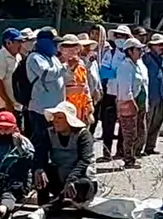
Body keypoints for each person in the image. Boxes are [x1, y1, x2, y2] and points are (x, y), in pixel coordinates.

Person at [29, 100, 97, 219]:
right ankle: (43, 204)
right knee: (41, 173)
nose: (55, 120)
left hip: (80, 179)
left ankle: (45, 210)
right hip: (60, 177)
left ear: (69, 120)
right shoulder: (49, 133)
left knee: (82, 184)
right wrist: (39, 168)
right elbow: (40, 153)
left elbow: (84, 160)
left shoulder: (83, 135)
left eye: (60, 117)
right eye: (54, 117)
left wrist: (72, 179)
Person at [25, 28, 67, 155]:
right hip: (40, 110)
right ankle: (33, 169)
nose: (56, 46)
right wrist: (65, 67)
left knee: (52, 143)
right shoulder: (35, 57)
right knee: (40, 143)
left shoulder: (53, 58)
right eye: (53, 43)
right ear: (44, 42)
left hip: (55, 109)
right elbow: (46, 74)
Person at [98, 25, 132, 161]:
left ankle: (121, 151)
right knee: (108, 124)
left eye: (122, 36)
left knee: (124, 124)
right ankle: (106, 152)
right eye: (117, 36)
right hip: (111, 93)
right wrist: (119, 73)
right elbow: (104, 72)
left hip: (125, 94)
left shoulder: (131, 55)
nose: (119, 39)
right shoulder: (110, 53)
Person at [115, 37, 149, 169]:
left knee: (141, 131)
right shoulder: (124, 66)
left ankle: (135, 154)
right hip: (129, 102)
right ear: (130, 51)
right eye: (138, 49)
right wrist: (131, 102)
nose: (140, 52)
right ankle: (128, 158)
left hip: (140, 102)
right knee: (130, 133)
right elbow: (125, 87)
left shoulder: (140, 65)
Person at [142, 34, 163, 154]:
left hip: (161, 94)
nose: (162, 47)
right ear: (152, 46)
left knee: (158, 121)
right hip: (150, 94)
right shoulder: (146, 58)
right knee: (147, 122)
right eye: (160, 45)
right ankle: (139, 147)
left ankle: (150, 147)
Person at [0, 28, 23, 123]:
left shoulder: (17, 56)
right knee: (4, 133)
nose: (21, 44)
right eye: (18, 41)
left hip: (14, 104)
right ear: (8, 43)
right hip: (2, 106)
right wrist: (7, 102)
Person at [59, 34, 94, 127]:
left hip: (81, 110)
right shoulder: (58, 66)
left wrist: (89, 104)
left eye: (74, 46)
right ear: (61, 49)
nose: (71, 49)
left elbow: (86, 86)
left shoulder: (81, 65)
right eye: (67, 46)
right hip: (66, 110)